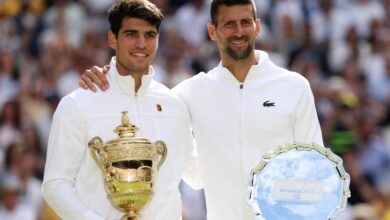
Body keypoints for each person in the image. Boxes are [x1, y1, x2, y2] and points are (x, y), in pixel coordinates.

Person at [79, 0, 324, 219]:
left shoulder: (294, 87)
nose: (238, 32)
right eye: (229, 24)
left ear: (257, 27)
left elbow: (316, 170)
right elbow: (139, 101)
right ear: (212, 32)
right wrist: (107, 77)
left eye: (245, 23)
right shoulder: (188, 94)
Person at [42, 0, 200, 219]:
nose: (141, 44)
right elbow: (55, 184)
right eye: (131, 34)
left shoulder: (175, 104)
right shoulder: (78, 103)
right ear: (112, 39)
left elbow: (197, 176)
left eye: (150, 35)